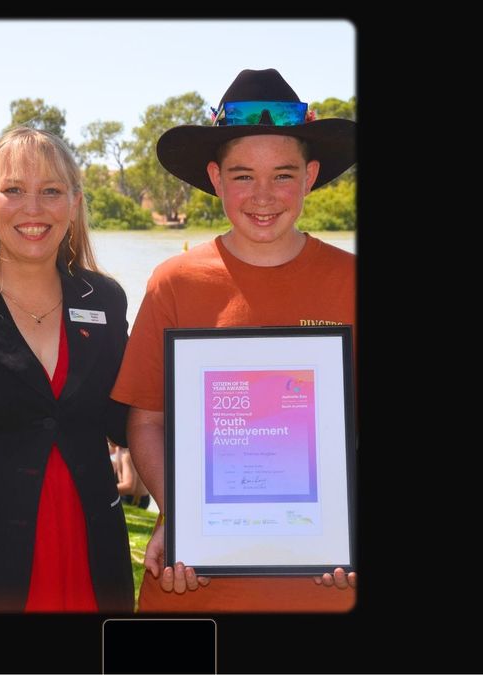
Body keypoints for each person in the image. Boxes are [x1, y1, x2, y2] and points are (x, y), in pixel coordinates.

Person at [110, 69, 356, 612]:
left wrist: (353, 525)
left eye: (283, 175)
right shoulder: (173, 281)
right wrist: (183, 518)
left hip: (327, 582)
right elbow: (146, 419)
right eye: (243, 176)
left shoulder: (352, 282)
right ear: (216, 179)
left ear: (311, 176)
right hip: (191, 581)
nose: (263, 196)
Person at [0, 126, 134, 612]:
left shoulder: (105, 299)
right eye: (14, 190)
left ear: (75, 201)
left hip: (90, 551)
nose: (34, 209)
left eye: (51, 191)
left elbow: (127, 418)